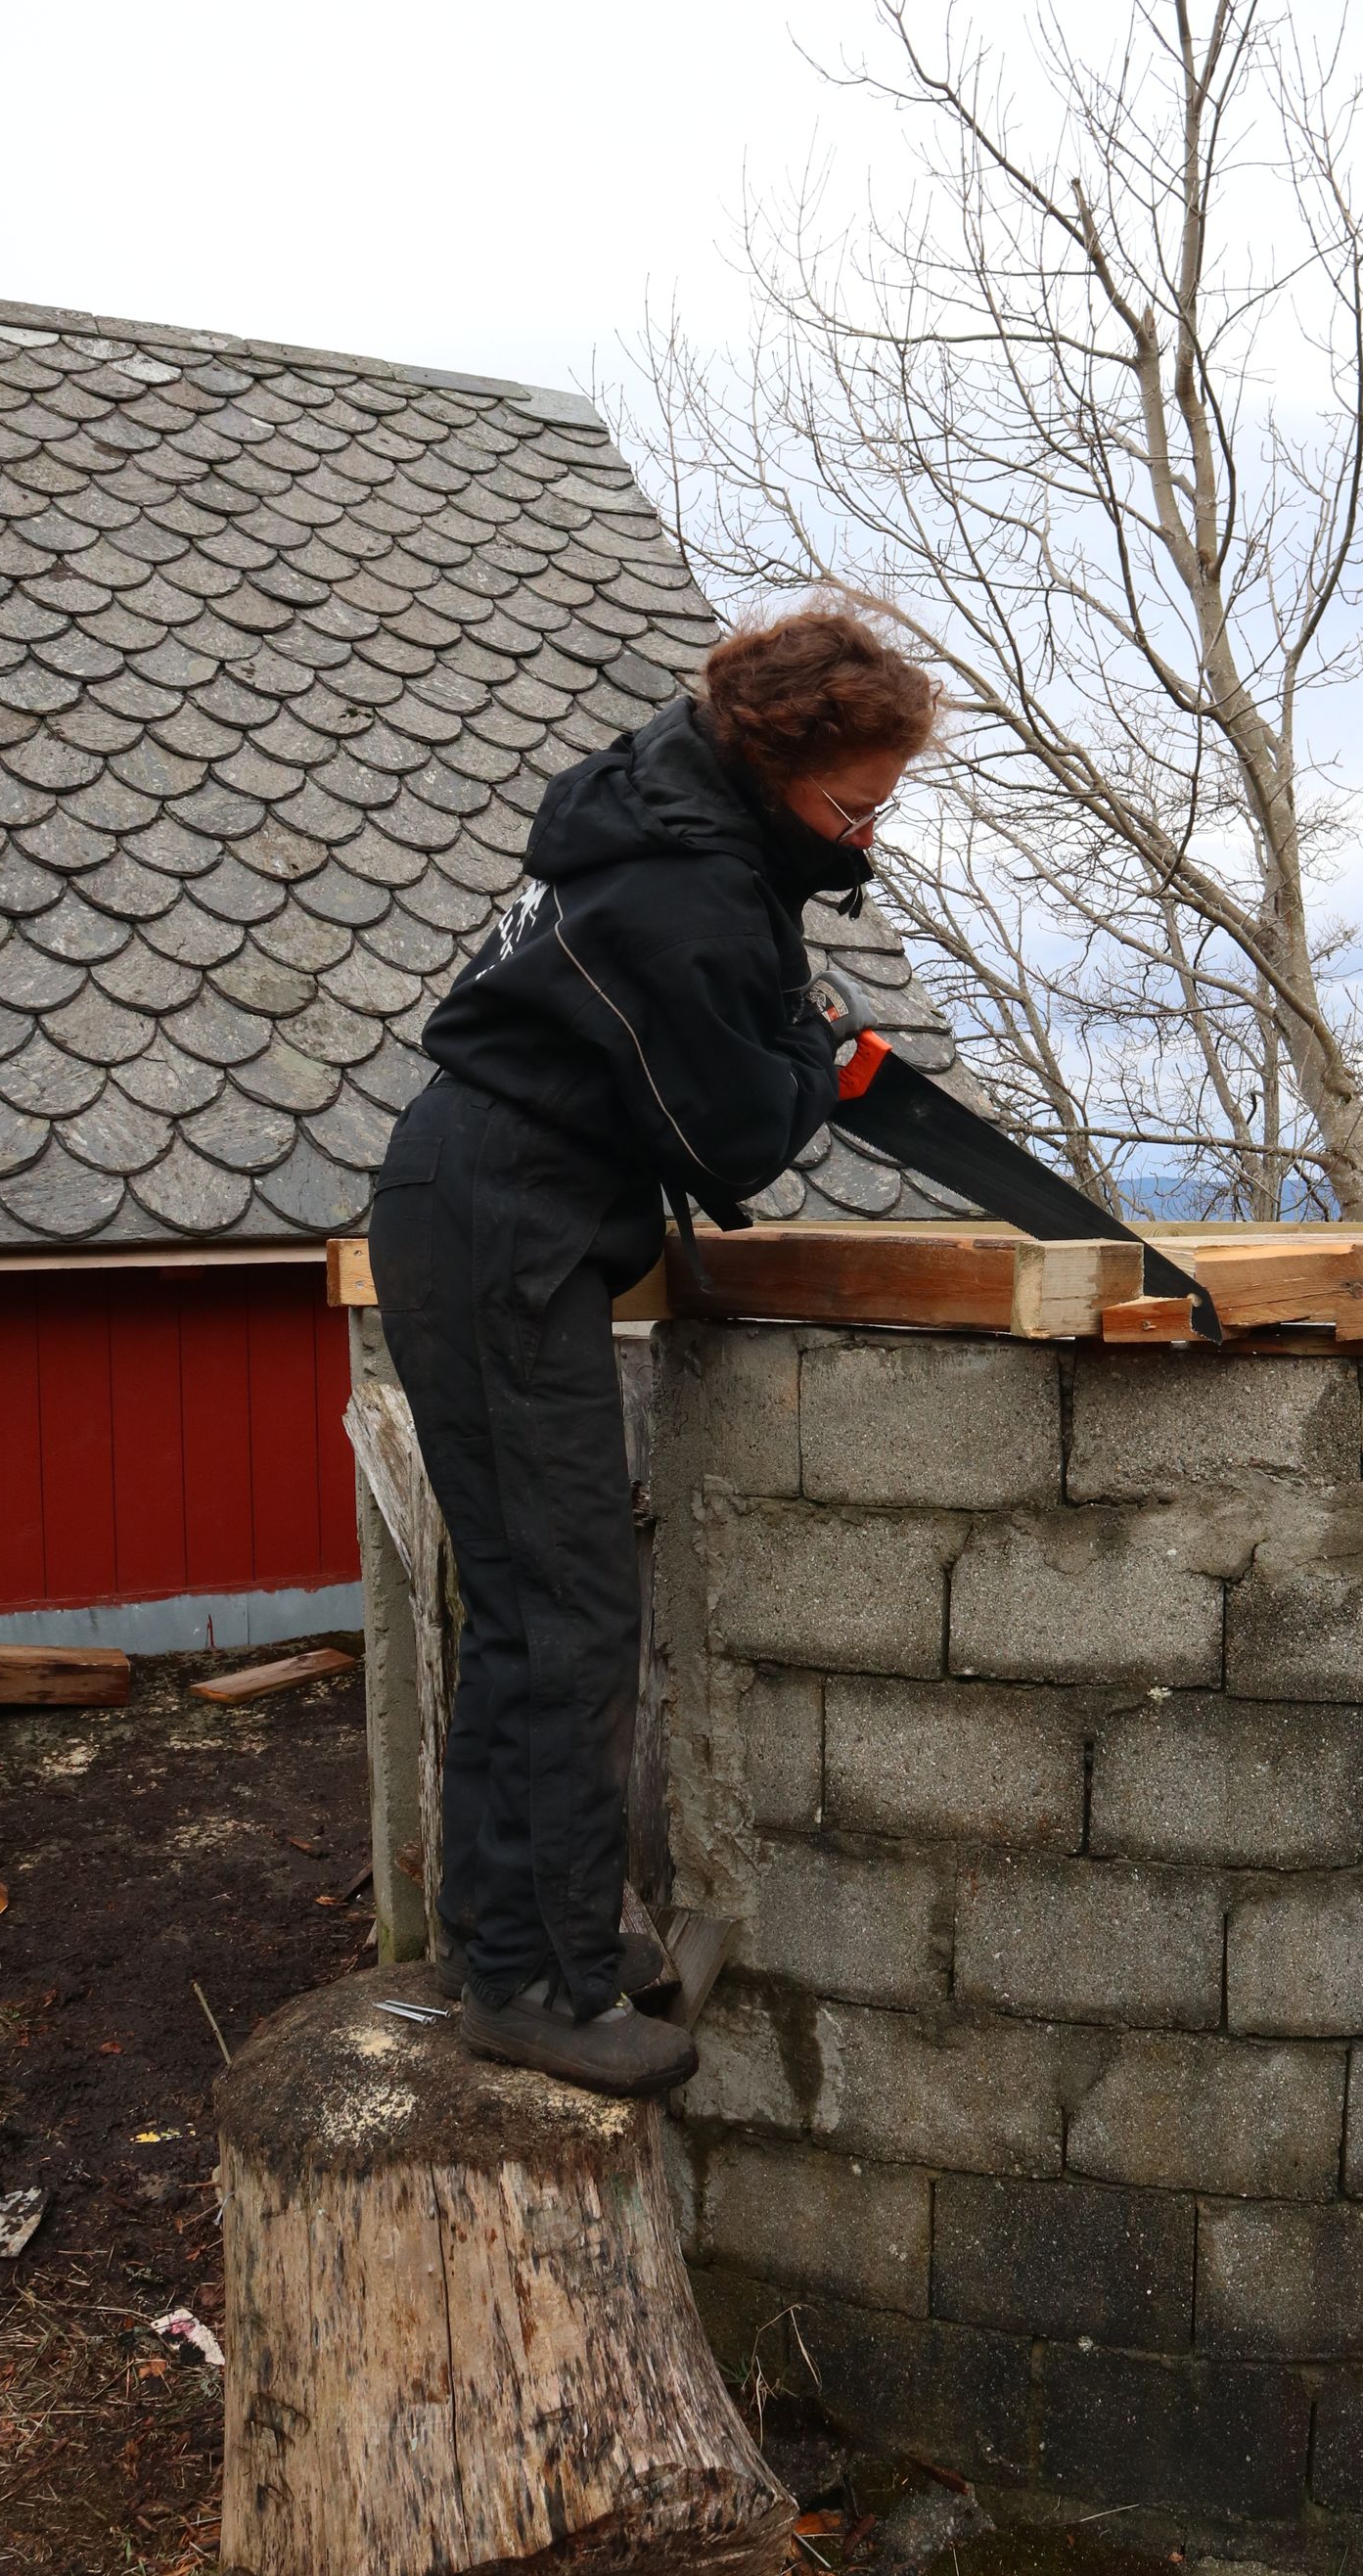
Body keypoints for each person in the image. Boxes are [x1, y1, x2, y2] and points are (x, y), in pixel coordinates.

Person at [367, 608, 937, 2097]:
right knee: (564, 1609)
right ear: (779, 762)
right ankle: (540, 1988)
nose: (871, 829)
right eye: (859, 803)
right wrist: (814, 1051)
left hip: (496, 1204)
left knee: (531, 1604)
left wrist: (786, 1026)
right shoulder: (680, 887)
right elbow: (732, 1134)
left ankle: (519, 1937)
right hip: (504, 1220)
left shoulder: (685, 830)